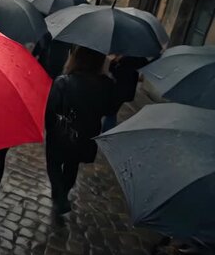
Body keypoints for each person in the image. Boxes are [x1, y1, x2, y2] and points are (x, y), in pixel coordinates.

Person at [45, 46, 118, 214]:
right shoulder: (106, 84)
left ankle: (60, 197)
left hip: (60, 133)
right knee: (72, 164)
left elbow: (51, 111)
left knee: (54, 164)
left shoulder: (63, 82)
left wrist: (51, 130)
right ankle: (62, 194)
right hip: (87, 134)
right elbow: (110, 110)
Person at [102, 55, 149, 131]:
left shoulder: (123, 60)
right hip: (127, 89)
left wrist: (115, 61)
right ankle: (107, 132)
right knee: (113, 113)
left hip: (118, 89)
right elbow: (145, 63)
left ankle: (107, 132)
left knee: (111, 113)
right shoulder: (137, 57)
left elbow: (112, 70)